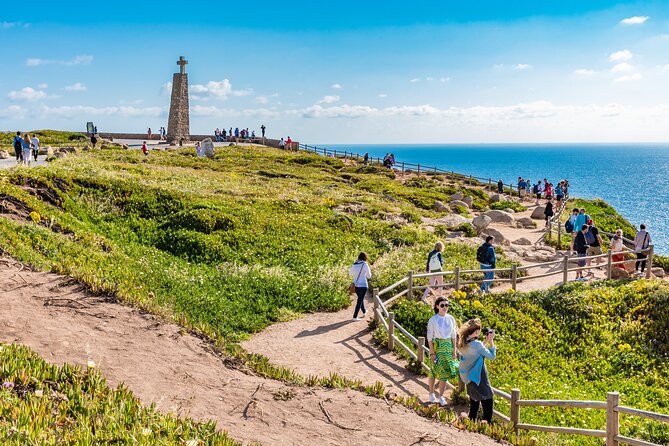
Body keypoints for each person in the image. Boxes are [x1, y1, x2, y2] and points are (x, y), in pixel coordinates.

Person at [458, 318, 496, 424]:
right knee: (488, 398)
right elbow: (492, 356)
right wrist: (491, 341)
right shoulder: (477, 345)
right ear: (476, 331)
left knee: (474, 399)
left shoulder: (464, 341)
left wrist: (486, 341)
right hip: (479, 376)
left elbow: (477, 350)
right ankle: (486, 423)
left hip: (468, 377)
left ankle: (472, 420)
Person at [426, 296, 459, 406]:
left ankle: (441, 396)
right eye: (442, 305)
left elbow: (454, 335)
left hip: (448, 346)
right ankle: (431, 393)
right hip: (437, 346)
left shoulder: (451, 318)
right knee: (434, 371)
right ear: (437, 306)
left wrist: (454, 349)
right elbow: (429, 337)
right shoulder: (433, 319)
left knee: (444, 372)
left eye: (446, 305)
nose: (445, 307)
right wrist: (432, 352)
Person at [349, 252, 372, 321]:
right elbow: (369, 276)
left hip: (356, 285)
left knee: (360, 298)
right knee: (360, 300)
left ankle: (364, 311)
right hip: (363, 285)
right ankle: (355, 316)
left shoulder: (354, 264)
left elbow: (350, 274)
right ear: (365, 257)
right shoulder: (365, 264)